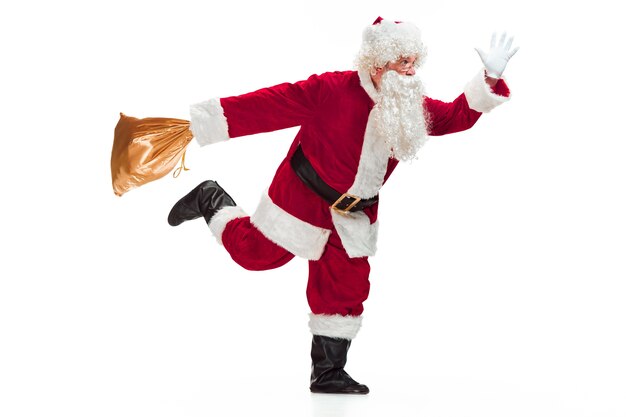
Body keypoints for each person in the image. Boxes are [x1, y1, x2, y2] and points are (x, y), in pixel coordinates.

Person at [167, 17, 517, 394]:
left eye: (414, 61)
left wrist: (490, 78)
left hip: (353, 215)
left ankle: (328, 373)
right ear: (376, 63)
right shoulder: (331, 89)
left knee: (344, 290)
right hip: (302, 197)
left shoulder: (409, 105)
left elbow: (453, 117)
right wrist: (200, 125)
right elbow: (269, 104)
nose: (410, 70)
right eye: (402, 61)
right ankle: (209, 197)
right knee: (254, 254)